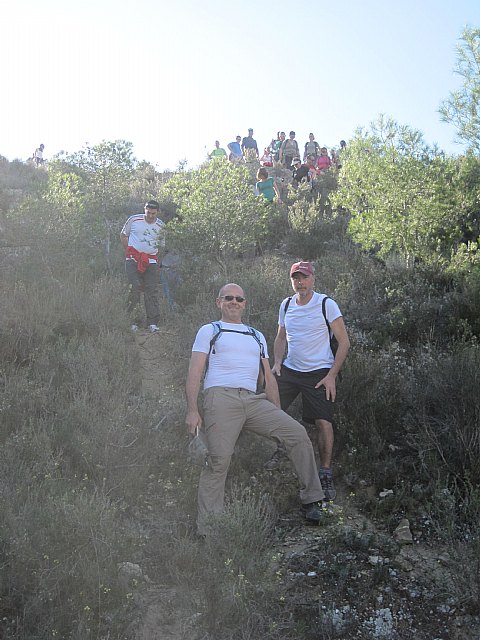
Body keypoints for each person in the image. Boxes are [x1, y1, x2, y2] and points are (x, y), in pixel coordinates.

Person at [185, 283, 326, 535]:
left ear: (245, 304)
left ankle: (312, 500)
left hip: (252, 400)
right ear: (219, 302)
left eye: (239, 299)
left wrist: (278, 411)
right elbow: (195, 371)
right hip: (221, 398)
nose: (234, 302)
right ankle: (209, 529)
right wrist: (192, 410)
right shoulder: (210, 330)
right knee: (218, 461)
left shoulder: (256, 335)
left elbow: (269, 379)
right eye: (228, 298)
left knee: (297, 434)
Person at [267, 261, 350, 503]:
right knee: (268, 408)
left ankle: (325, 472)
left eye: (303, 277)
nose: (299, 282)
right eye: (296, 278)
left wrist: (332, 375)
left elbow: (344, 342)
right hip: (291, 370)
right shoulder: (286, 304)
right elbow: (281, 336)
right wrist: (277, 362)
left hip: (319, 372)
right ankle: (279, 450)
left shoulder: (326, 304)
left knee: (323, 422)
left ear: (313, 278)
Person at [120, 200, 165, 332]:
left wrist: (157, 260)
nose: (150, 215)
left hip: (150, 261)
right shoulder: (134, 220)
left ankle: (152, 323)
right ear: (144, 210)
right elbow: (123, 235)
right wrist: (129, 252)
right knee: (134, 288)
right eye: (148, 212)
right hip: (133, 260)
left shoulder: (161, 225)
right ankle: (133, 322)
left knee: (151, 291)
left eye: (153, 213)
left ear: (157, 212)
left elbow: (161, 245)